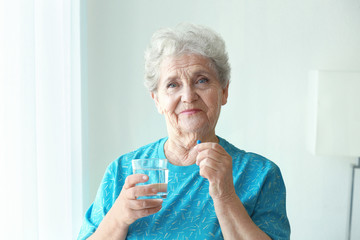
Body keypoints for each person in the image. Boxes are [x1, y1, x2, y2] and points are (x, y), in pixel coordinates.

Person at [78, 23, 290, 240]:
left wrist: (225, 195)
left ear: (224, 91)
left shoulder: (260, 174)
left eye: (202, 80)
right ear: (157, 100)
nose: (188, 96)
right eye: (172, 85)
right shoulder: (121, 172)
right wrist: (118, 218)